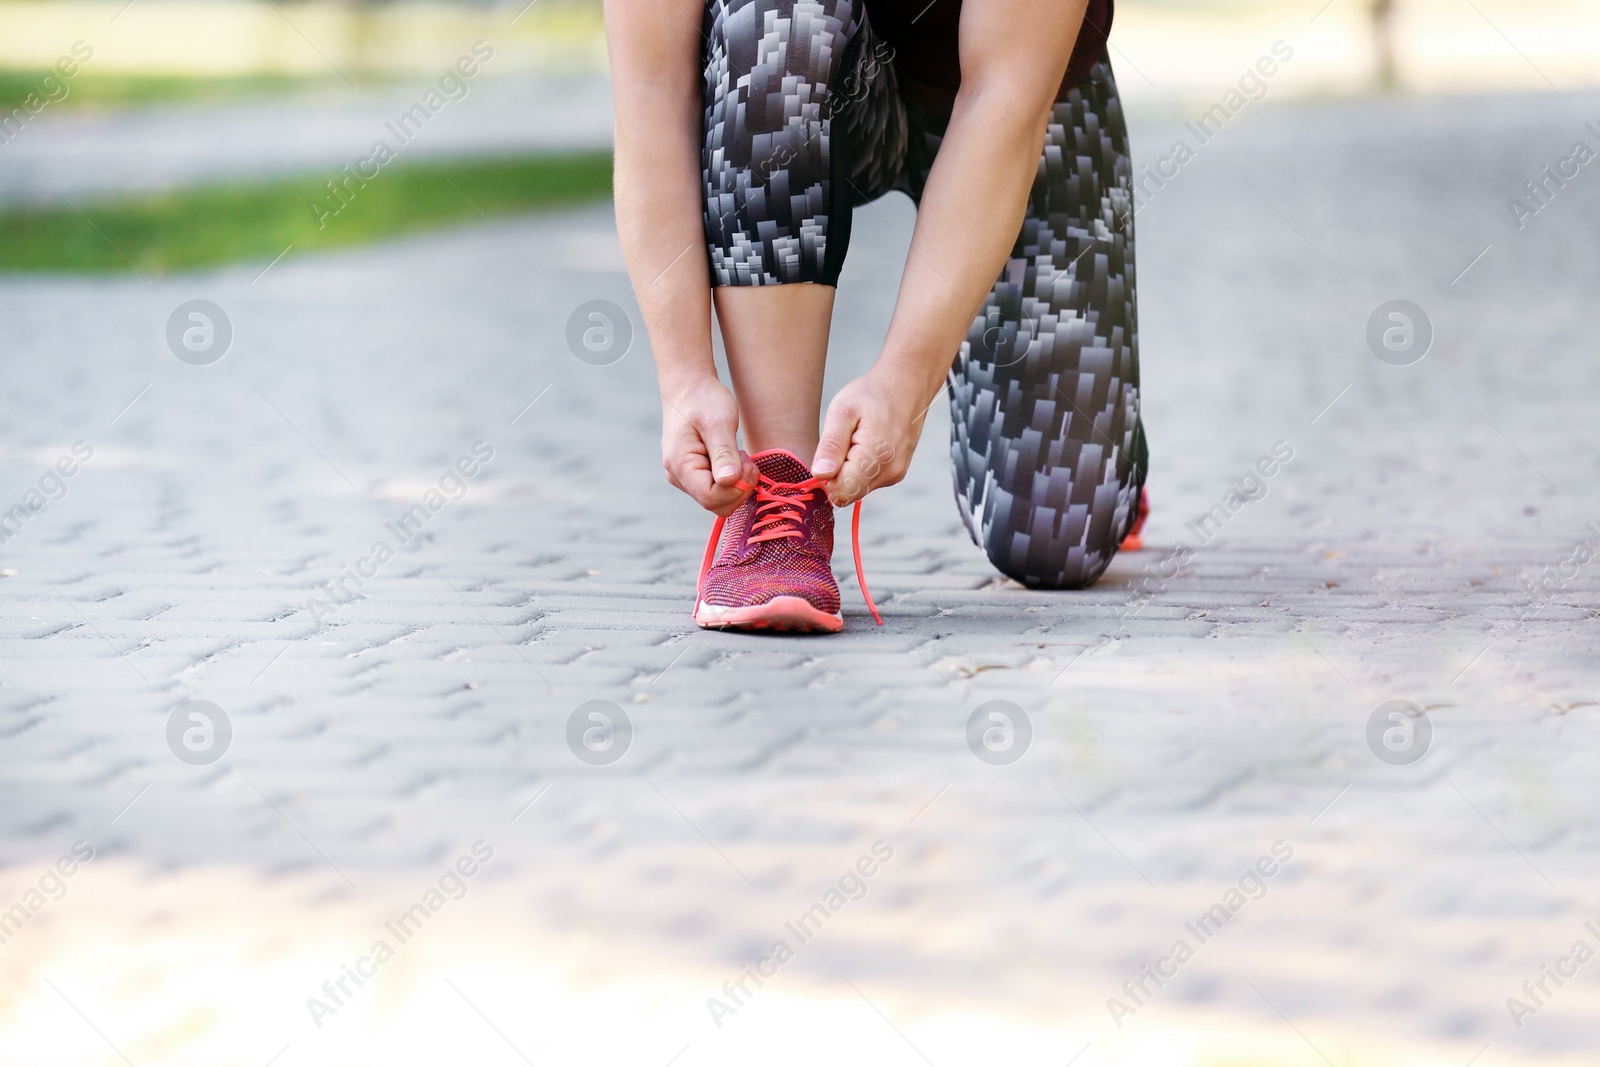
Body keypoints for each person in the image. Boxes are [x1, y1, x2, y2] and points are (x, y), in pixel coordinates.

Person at [605, 0, 1147, 633]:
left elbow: (1005, 96)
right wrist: (684, 376)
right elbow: (652, 91)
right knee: (778, 22)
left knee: (1057, 533)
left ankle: (1108, 437)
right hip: (806, 80)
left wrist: (906, 378)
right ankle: (782, 498)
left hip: (1026, 95)